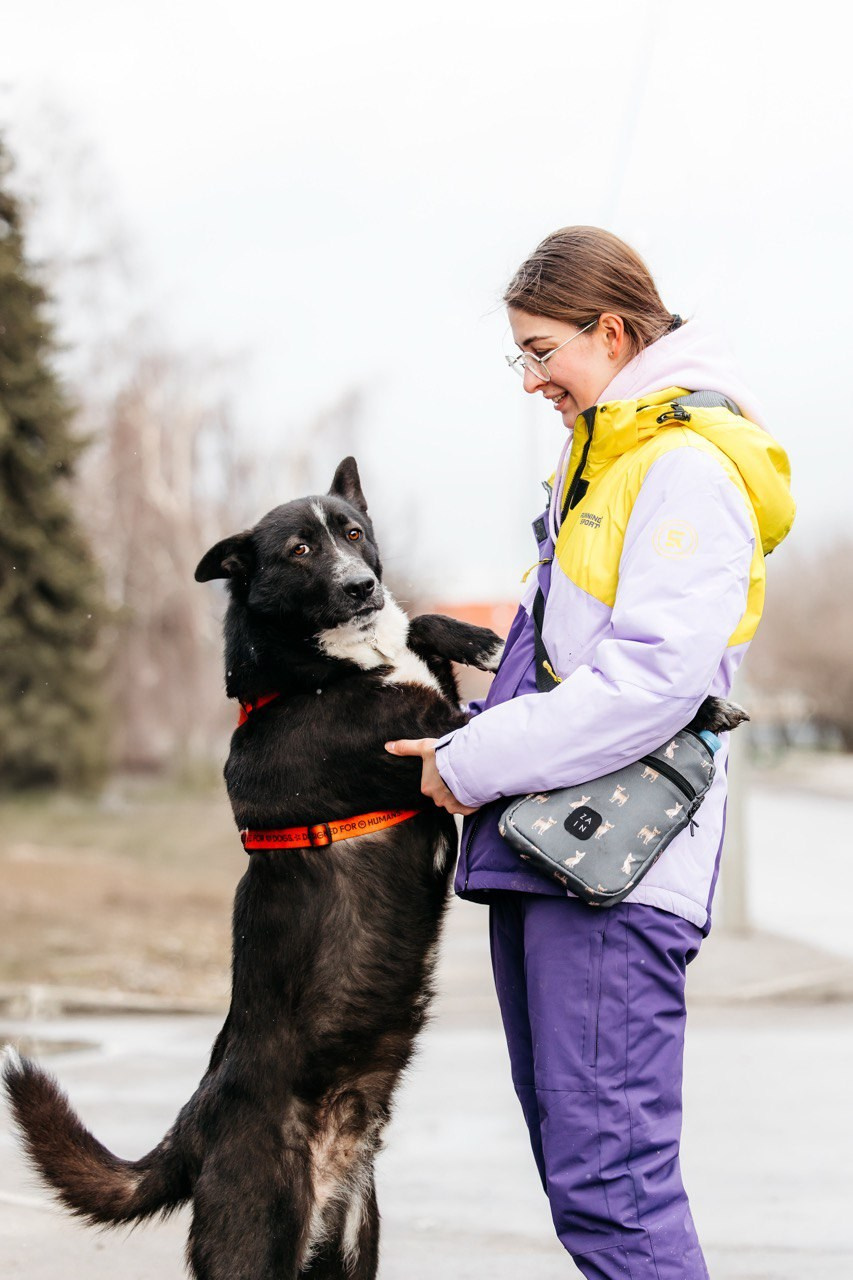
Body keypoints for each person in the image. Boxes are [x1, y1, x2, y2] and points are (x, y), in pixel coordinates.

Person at [385, 225, 795, 1279]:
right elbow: (568, 662)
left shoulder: (684, 469)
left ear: (609, 332)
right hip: (560, 853)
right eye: (517, 356)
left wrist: (475, 760)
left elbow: (653, 682)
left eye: (540, 351)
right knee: (588, 1183)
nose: (530, 379)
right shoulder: (607, 456)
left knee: (613, 1188)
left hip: (612, 872)